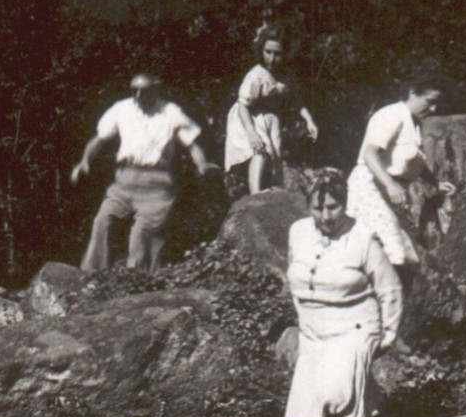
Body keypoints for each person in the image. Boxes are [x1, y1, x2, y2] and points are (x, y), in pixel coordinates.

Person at [284, 170, 403, 417]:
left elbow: (391, 290)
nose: (325, 216)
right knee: (314, 415)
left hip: (356, 325)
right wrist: (306, 326)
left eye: (332, 207)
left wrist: (387, 336)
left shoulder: (363, 239)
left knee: (333, 392)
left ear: (344, 203)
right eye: (318, 208)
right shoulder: (298, 232)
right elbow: (294, 279)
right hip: (315, 332)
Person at [70, 72, 214, 274]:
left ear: (155, 90)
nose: (138, 95)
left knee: (141, 236)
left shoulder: (170, 112)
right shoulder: (122, 109)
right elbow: (99, 139)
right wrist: (84, 161)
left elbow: (191, 144)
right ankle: (91, 275)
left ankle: (139, 282)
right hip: (125, 180)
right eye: (134, 90)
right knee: (102, 220)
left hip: (157, 185)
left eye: (144, 91)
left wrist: (201, 164)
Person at [345, 76, 454, 284]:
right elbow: (370, 154)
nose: (433, 108)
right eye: (429, 101)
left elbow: (414, 161)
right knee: (391, 247)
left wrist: (435, 184)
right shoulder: (391, 115)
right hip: (371, 186)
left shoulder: (414, 124)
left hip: (389, 190)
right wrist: (390, 185)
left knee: (404, 250)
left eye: (436, 104)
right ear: (413, 93)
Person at [224, 24, 318, 195]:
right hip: (248, 118)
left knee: (276, 154)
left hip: (270, 119)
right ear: (261, 50)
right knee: (261, 150)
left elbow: (296, 100)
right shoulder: (256, 76)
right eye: (268, 52)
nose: (272, 59)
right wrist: (252, 134)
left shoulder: (286, 75)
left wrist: (309, 120)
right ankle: (256, 194)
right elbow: (242, 106)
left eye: (277, 54)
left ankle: (273, 192)